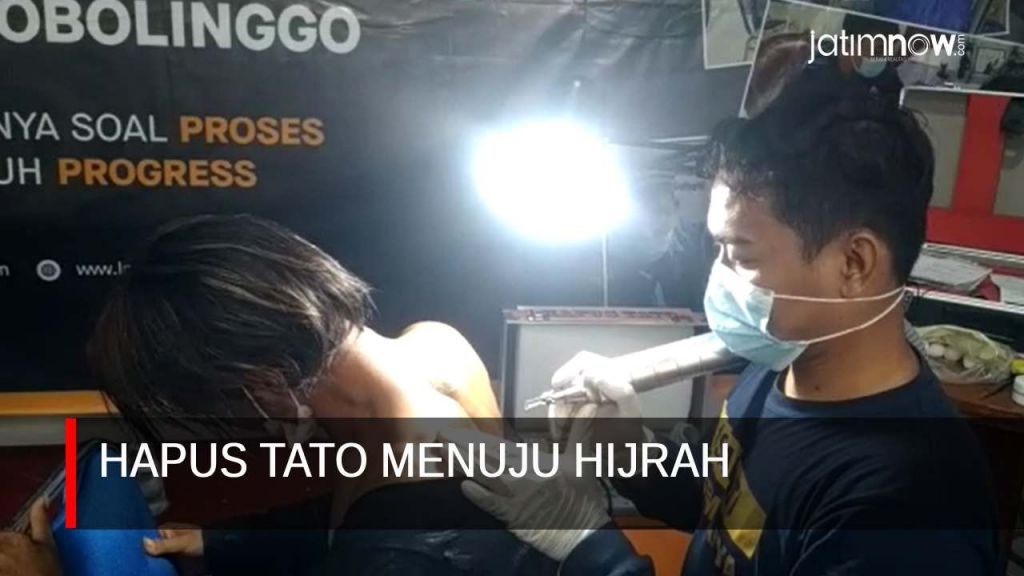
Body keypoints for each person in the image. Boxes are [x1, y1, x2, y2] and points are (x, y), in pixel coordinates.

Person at [458, 70, 1000, 574]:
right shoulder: (782, 359)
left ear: (853, 264)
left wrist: (587, 544)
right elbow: (730, 507)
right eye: (716, 249)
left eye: (740, 255)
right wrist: (631, 456)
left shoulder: (908, 510)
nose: (719, 277)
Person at [87, 214, 557, 575]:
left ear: (264, 382)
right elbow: (363, 517)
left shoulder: (390, 553)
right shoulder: (438, 343)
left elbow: (391, 525)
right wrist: (223, 541)